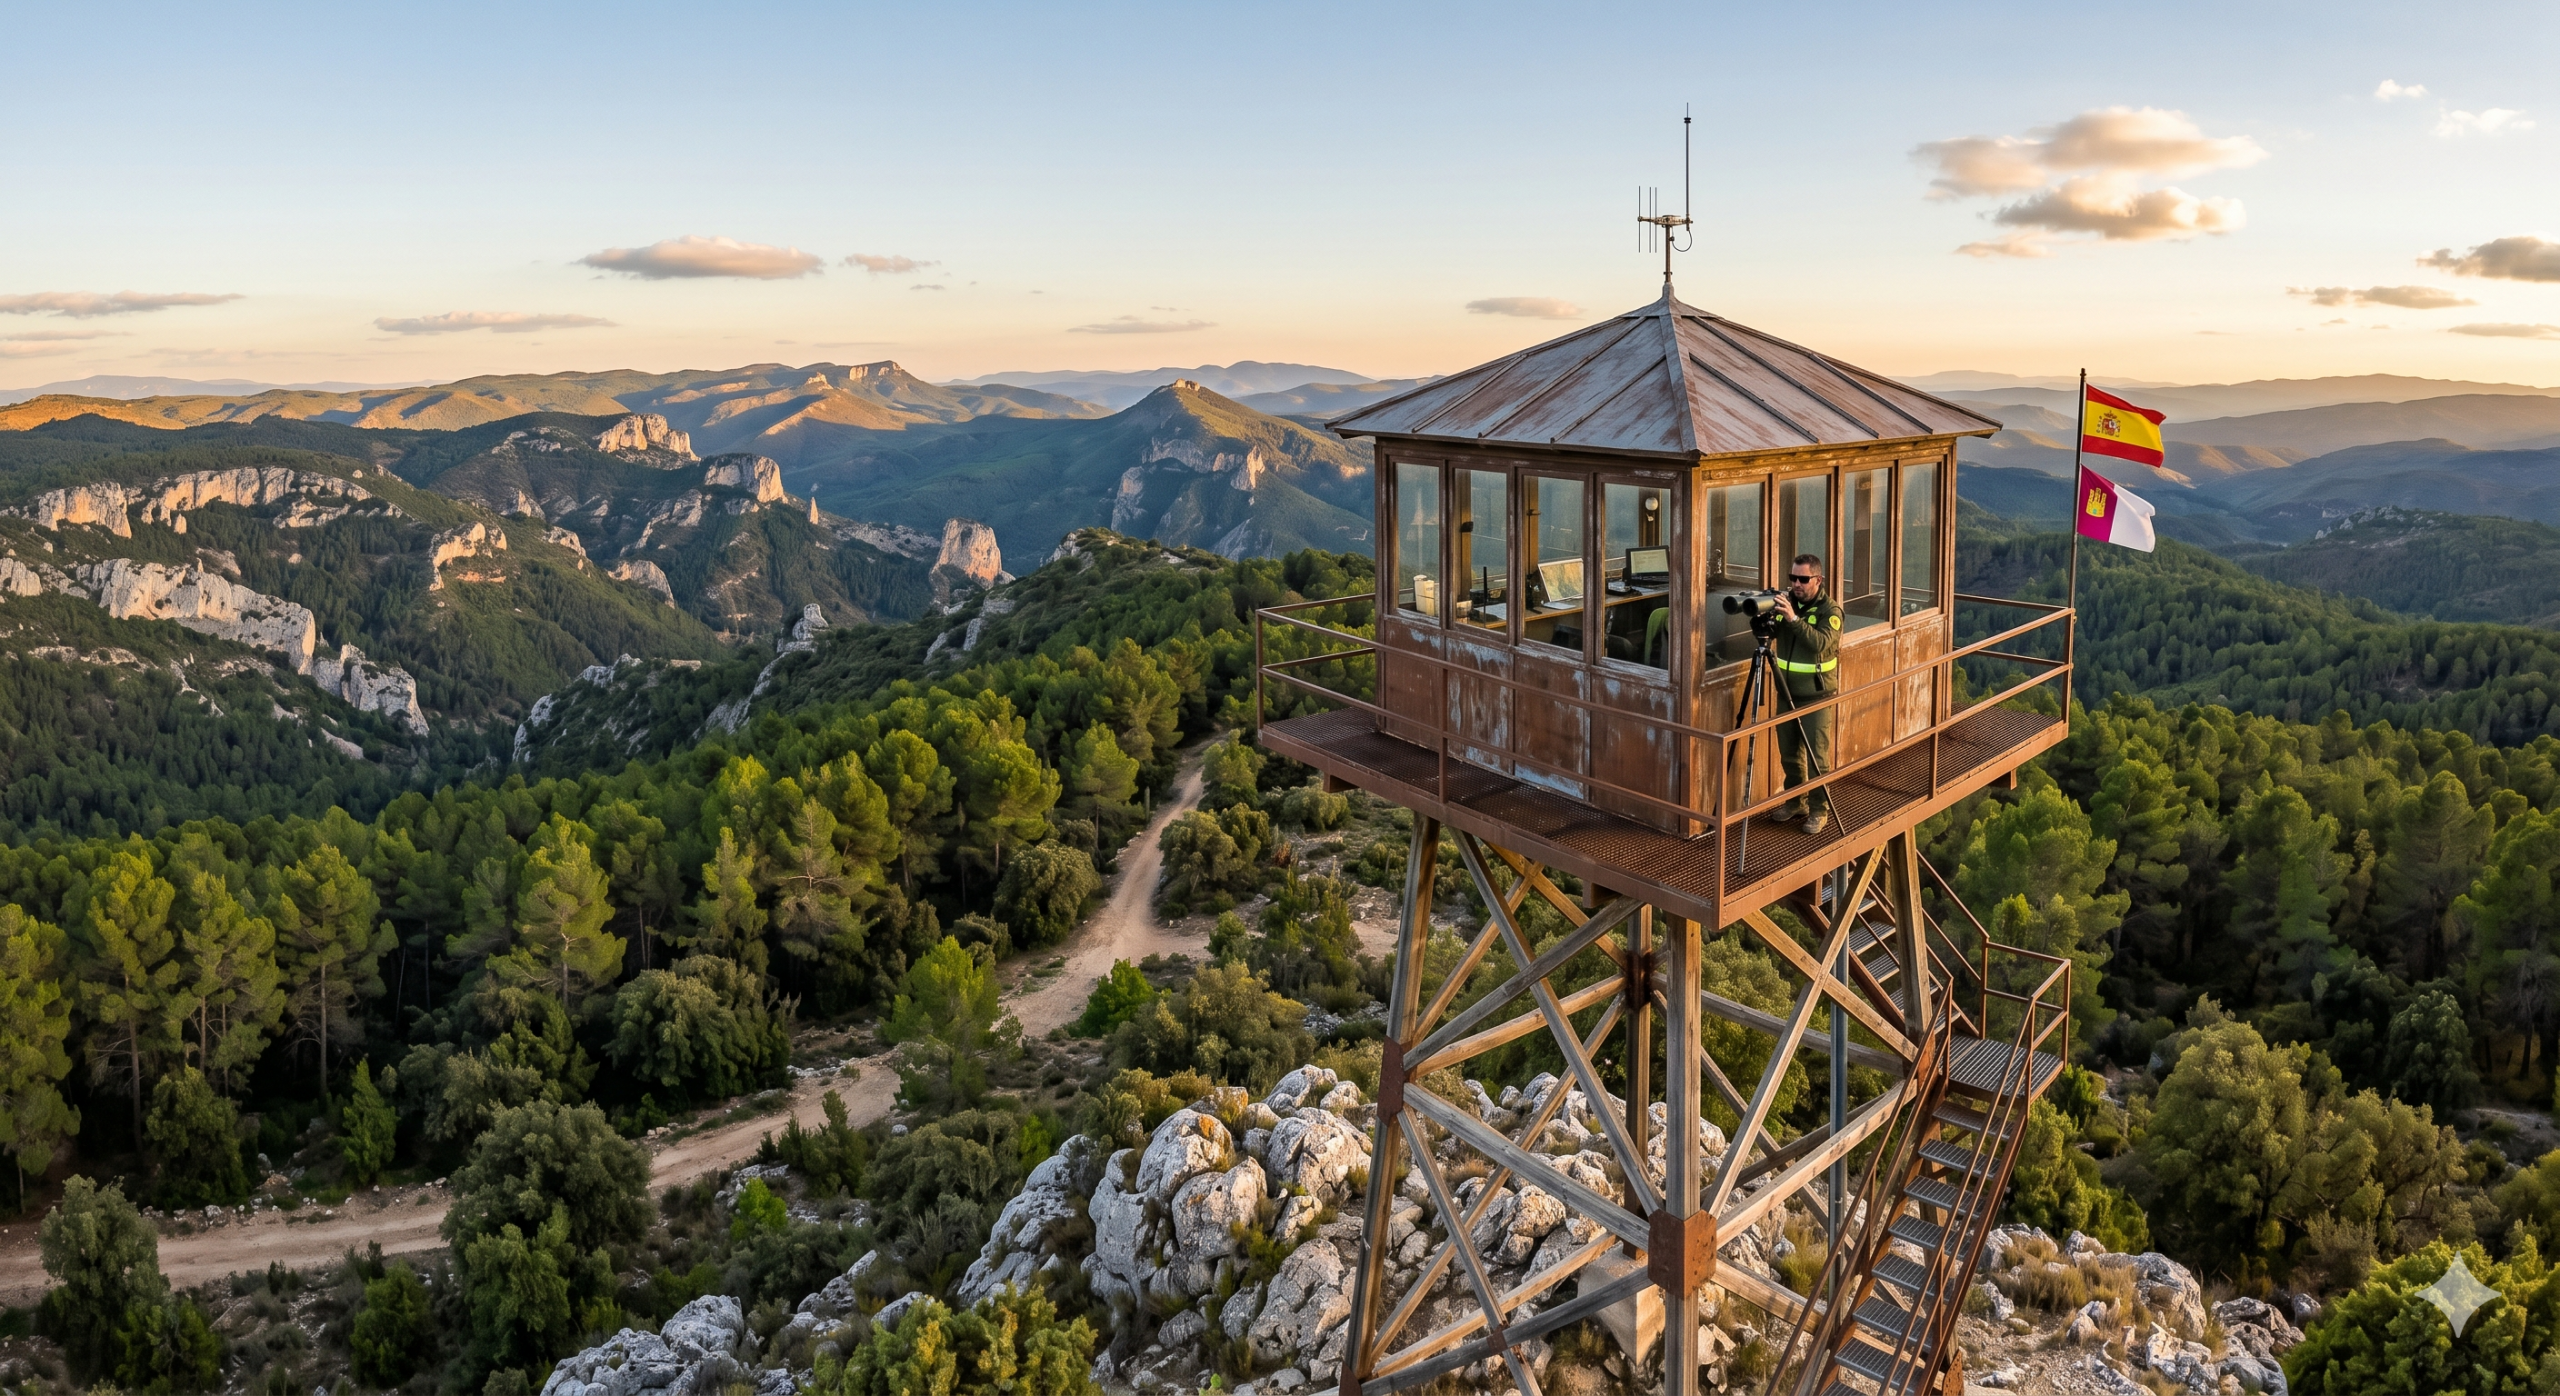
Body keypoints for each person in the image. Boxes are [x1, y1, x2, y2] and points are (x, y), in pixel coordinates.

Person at [1770, 552, 1841, 834]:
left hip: (1816, 697)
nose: (1796, 584)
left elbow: (1820, 643)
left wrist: (1793, 619)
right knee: (1789, 754)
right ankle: (1795, 801)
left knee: (1816, 758)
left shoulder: (1830, 612)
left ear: (1818, 580)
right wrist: (1765, 618)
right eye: (1793, 578)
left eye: (1803, 579)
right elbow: (1771, 634)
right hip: (1786, 693)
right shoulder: (1787, 602)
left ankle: (1819, 810)